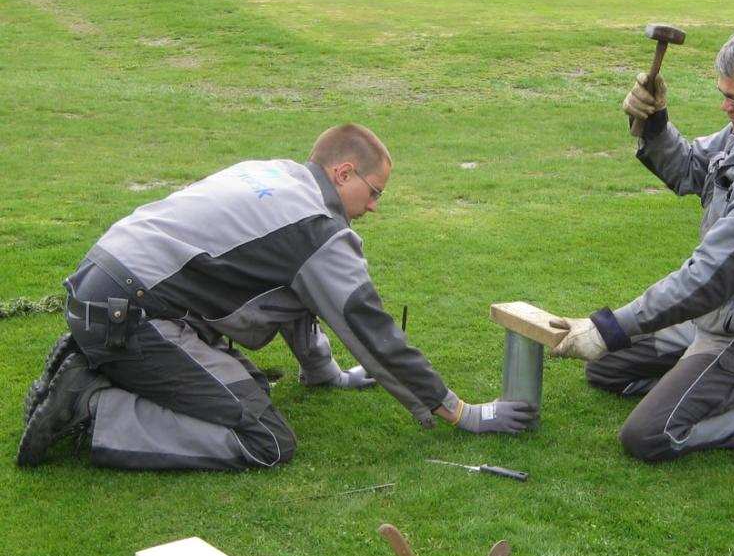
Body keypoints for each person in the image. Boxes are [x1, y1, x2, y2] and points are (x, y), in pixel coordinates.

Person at [18, 124, 536, 470]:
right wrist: (462, 412)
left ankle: (95, 360)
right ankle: (93, 408)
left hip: (103, 290)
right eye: (375, 192)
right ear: (343, 173)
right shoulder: (316, 229)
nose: (375, 206)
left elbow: (294, 298)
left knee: (235, 384)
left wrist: (324, 374)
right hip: (132, 314)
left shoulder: (277, 173)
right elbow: (370, 328)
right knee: (265, 440)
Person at [550, 22, 734, 462]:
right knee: (606, 369)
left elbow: (709, 276)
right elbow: (688, 168)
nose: (725, 107)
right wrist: (653, 123)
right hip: (713, 317)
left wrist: (612, 326)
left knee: (648, 435)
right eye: (723, 94)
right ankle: (706, 376)